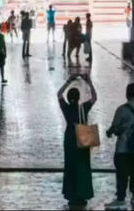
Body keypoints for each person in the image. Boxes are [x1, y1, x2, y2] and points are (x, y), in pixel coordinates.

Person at [58, 73, 97, 209]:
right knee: (83, 166)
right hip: (83, 137)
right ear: (79, 98)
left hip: (69, 138)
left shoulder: (66, 109)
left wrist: (69, 80)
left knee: (70, 166)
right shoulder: (83, 108)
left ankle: (71, 194)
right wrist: (89, 82)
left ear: (69, 98)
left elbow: (58, 94)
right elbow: (94, 97)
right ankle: (82, 194)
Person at [105, 82, 134, 209]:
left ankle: (120, 199)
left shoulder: (122, 109)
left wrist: (109, 132)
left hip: (123, 147)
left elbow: (114, 127)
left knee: (122, 174)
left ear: (127, 94)